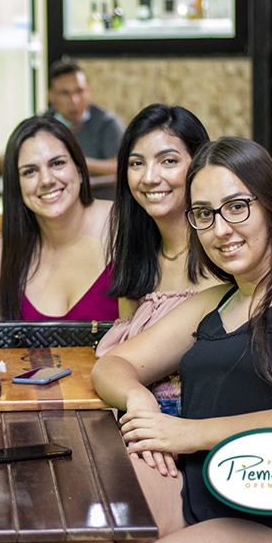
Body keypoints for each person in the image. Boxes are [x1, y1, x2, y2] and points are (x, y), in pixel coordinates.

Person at [91, 137, 272, 543]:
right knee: (92, 517)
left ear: (271, 205)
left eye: (236, 207)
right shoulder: (214, 302)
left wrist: (188, 433)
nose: (220, 230)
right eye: (204, 214)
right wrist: (139, 400)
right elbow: (113, 365)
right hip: (203, 495)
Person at [95, 104, 216, 415]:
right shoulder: (137, 256)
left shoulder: (224, 252)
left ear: (199, 164)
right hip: (139, 413)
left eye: (168, 161)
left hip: (204, 420)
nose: (149, 177)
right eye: (137, 163)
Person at [0, 115, 118, 322]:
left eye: (57, 163)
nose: (46, 180)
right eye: (30, 171)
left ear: (79, 170)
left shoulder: (123, 228)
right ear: (17, 185)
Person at [43, 59, 125, 176]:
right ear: (50, 96)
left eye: (79, 91)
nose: (74, 100)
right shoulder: (41, 126)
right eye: (65, 93)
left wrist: (76, 162)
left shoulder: (107, 123)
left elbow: (122, 167)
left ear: (88, 91)